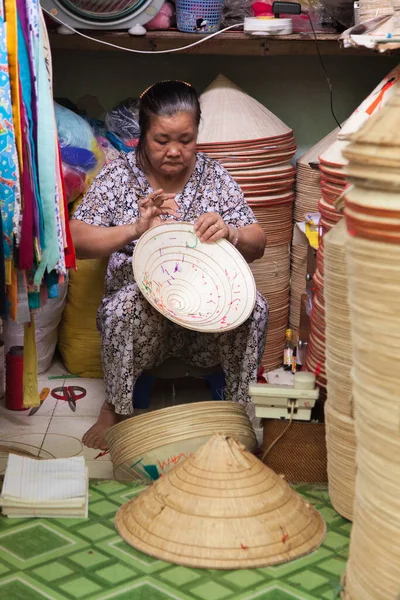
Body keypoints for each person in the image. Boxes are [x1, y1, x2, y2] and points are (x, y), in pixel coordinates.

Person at [70, 80, 269, 450]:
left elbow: (258, 241)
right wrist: (134, 229)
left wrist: (231, 233)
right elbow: (77, 239)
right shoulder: (119, 176)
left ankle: (238, 406)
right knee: (124, 308)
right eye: (162, 140)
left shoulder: (212, 176)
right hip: (144, 324)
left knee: (255, 307)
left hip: (205, 322)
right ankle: (116, 406)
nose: (175, 151)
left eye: (186, 139)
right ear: (143, 135)